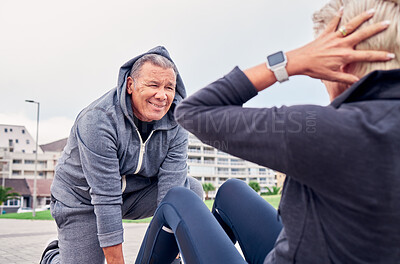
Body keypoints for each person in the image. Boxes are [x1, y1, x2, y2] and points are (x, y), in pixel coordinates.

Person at [135, 0, 400, 263]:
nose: (321, 78)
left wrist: (291, 61)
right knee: (231, 191)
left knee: (177, 198)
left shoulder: (328, 129)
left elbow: (192, 112)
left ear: (343, 62)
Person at [40, 46, 203, 264]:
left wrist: (169, 254)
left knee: (188, 191)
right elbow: (106, 198)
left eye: (169, 87)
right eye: (153, 85)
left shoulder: (177, 121)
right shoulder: (98, 121)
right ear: (130, 85)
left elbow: (171, 194)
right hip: (82, 198)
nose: (162, 95)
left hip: (135, 193)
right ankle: (54, 255)